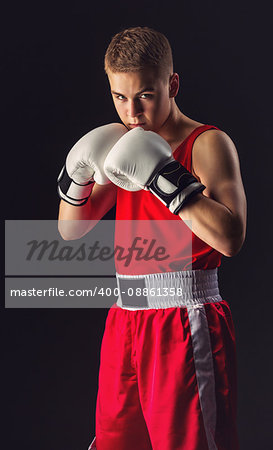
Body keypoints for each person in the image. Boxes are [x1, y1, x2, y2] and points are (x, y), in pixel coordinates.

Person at [57, 26, 247, 450]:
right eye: (120, 97)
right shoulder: (123, 148)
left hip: (184, 316)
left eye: (144, 95)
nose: (132, 112)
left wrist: (164, 177)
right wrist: (77, 177)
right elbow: (71, 230)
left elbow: (232, 239)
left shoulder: (208, 143)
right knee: (115, 443)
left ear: (172, 84)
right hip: (125, 316)